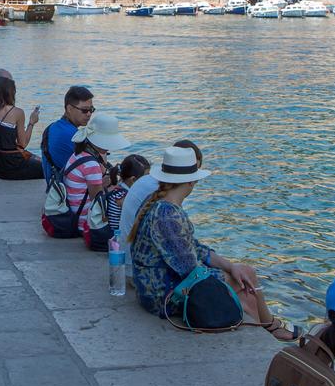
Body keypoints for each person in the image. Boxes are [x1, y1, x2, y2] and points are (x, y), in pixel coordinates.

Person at [126, 145, 295, 341]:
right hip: (160, 295)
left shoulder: (160, 203)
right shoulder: (167, 215)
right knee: (245, 288)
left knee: (245, 273)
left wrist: (231, 267)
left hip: (152, 286)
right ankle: (267, 332)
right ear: (191, 181)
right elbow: (190, 270)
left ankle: (268, 328)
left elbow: (194, 248)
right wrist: (229, 278)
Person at [118, 139, 202, 247]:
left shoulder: (150, 181)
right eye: (194, 172)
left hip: (127, 248)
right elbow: (180, 245)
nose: (196, 180)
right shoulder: (165, 202)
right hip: (131, 253)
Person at [58, 112, 129, 236]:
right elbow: (97, 200)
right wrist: (109, 187)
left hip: (74, 211)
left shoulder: (80, 153)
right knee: (121, 197)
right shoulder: (91, 164)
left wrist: (102, 183)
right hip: (84, 223)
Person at [0, 74, 44, 180]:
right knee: (48, 168)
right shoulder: (17, 112)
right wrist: (31, 123)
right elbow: (23, 144)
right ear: (11, 93)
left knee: (35, 159)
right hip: (13, 167)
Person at [40, 85, 95, 185]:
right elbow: (94, 170)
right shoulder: (74, 136)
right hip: (70, 190)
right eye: (84, 110)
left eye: (91, 110)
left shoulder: (51, 128)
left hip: (55, 186)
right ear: (69, 108)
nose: (89, 114)